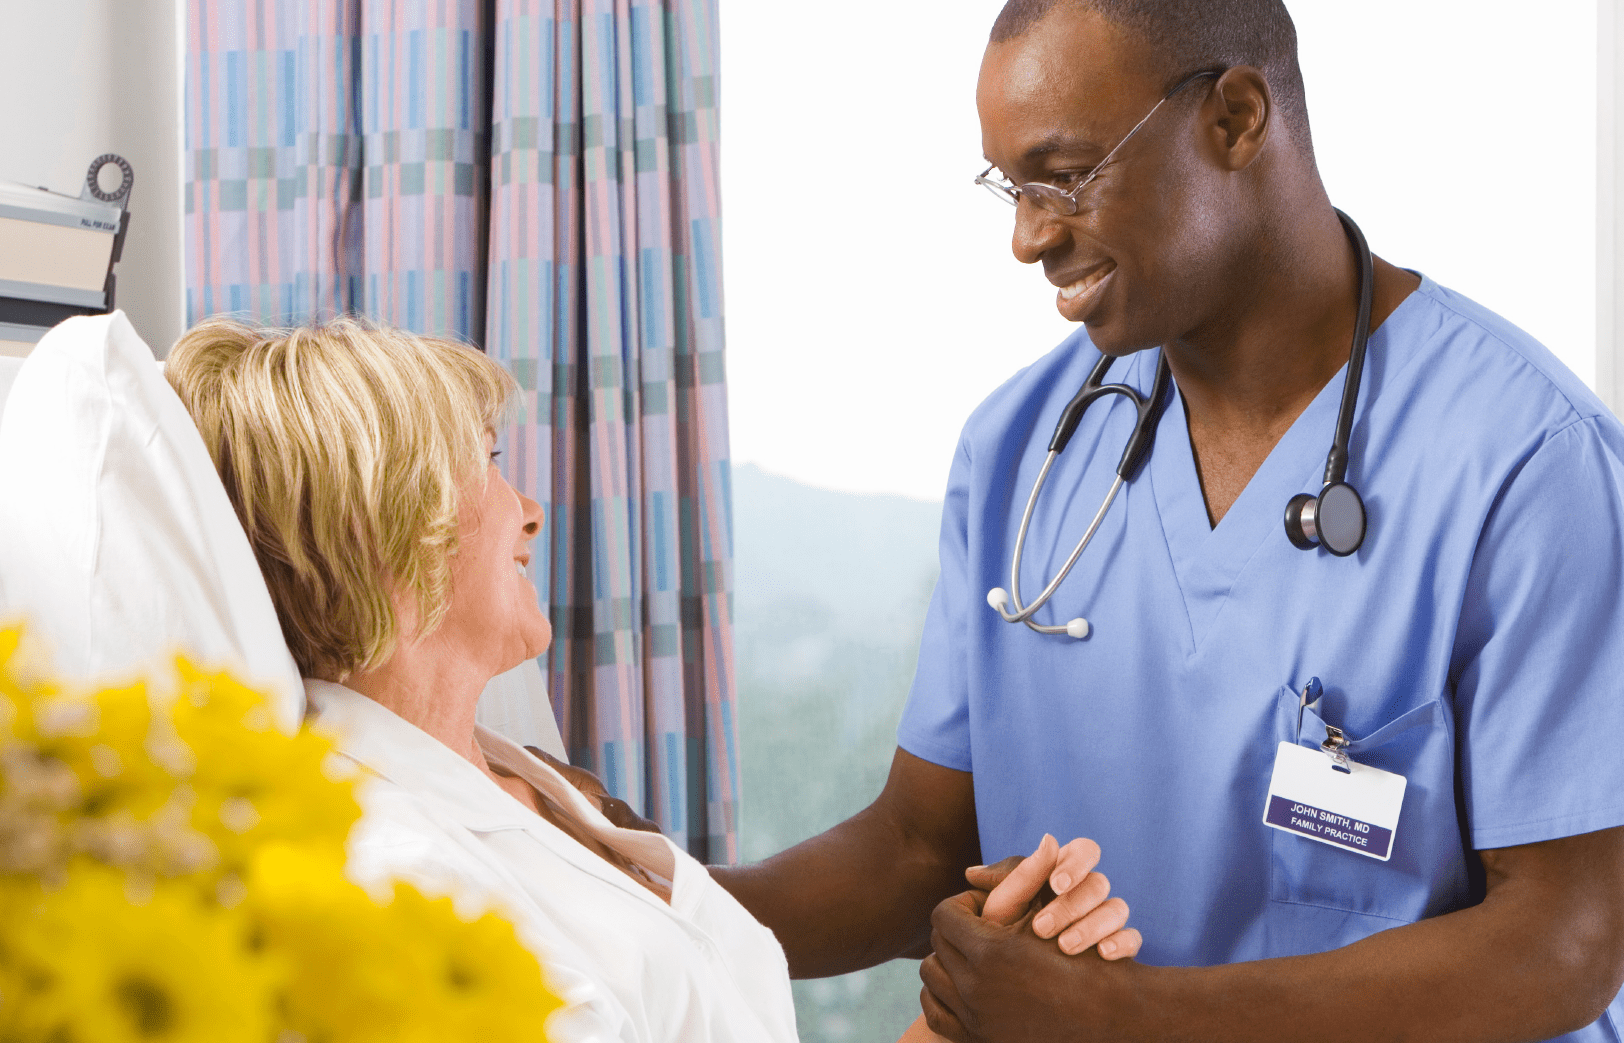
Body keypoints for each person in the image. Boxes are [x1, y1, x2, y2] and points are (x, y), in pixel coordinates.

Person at [713, 3, 1624, 1043]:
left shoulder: (1527, 460)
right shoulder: (1016, 449)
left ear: (1233, 118)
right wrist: (637, 899)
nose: (1028, 235)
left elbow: (1564, 939)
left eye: (1065, 173)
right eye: (1011, 186)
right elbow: (922, 846)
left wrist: (1124, 1019)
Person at [164, 317, 1132, 1043]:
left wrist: (973, 1000)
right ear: (385, 527)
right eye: (490, 463)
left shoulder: (518, 779)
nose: (530, 510)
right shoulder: (405, 886)